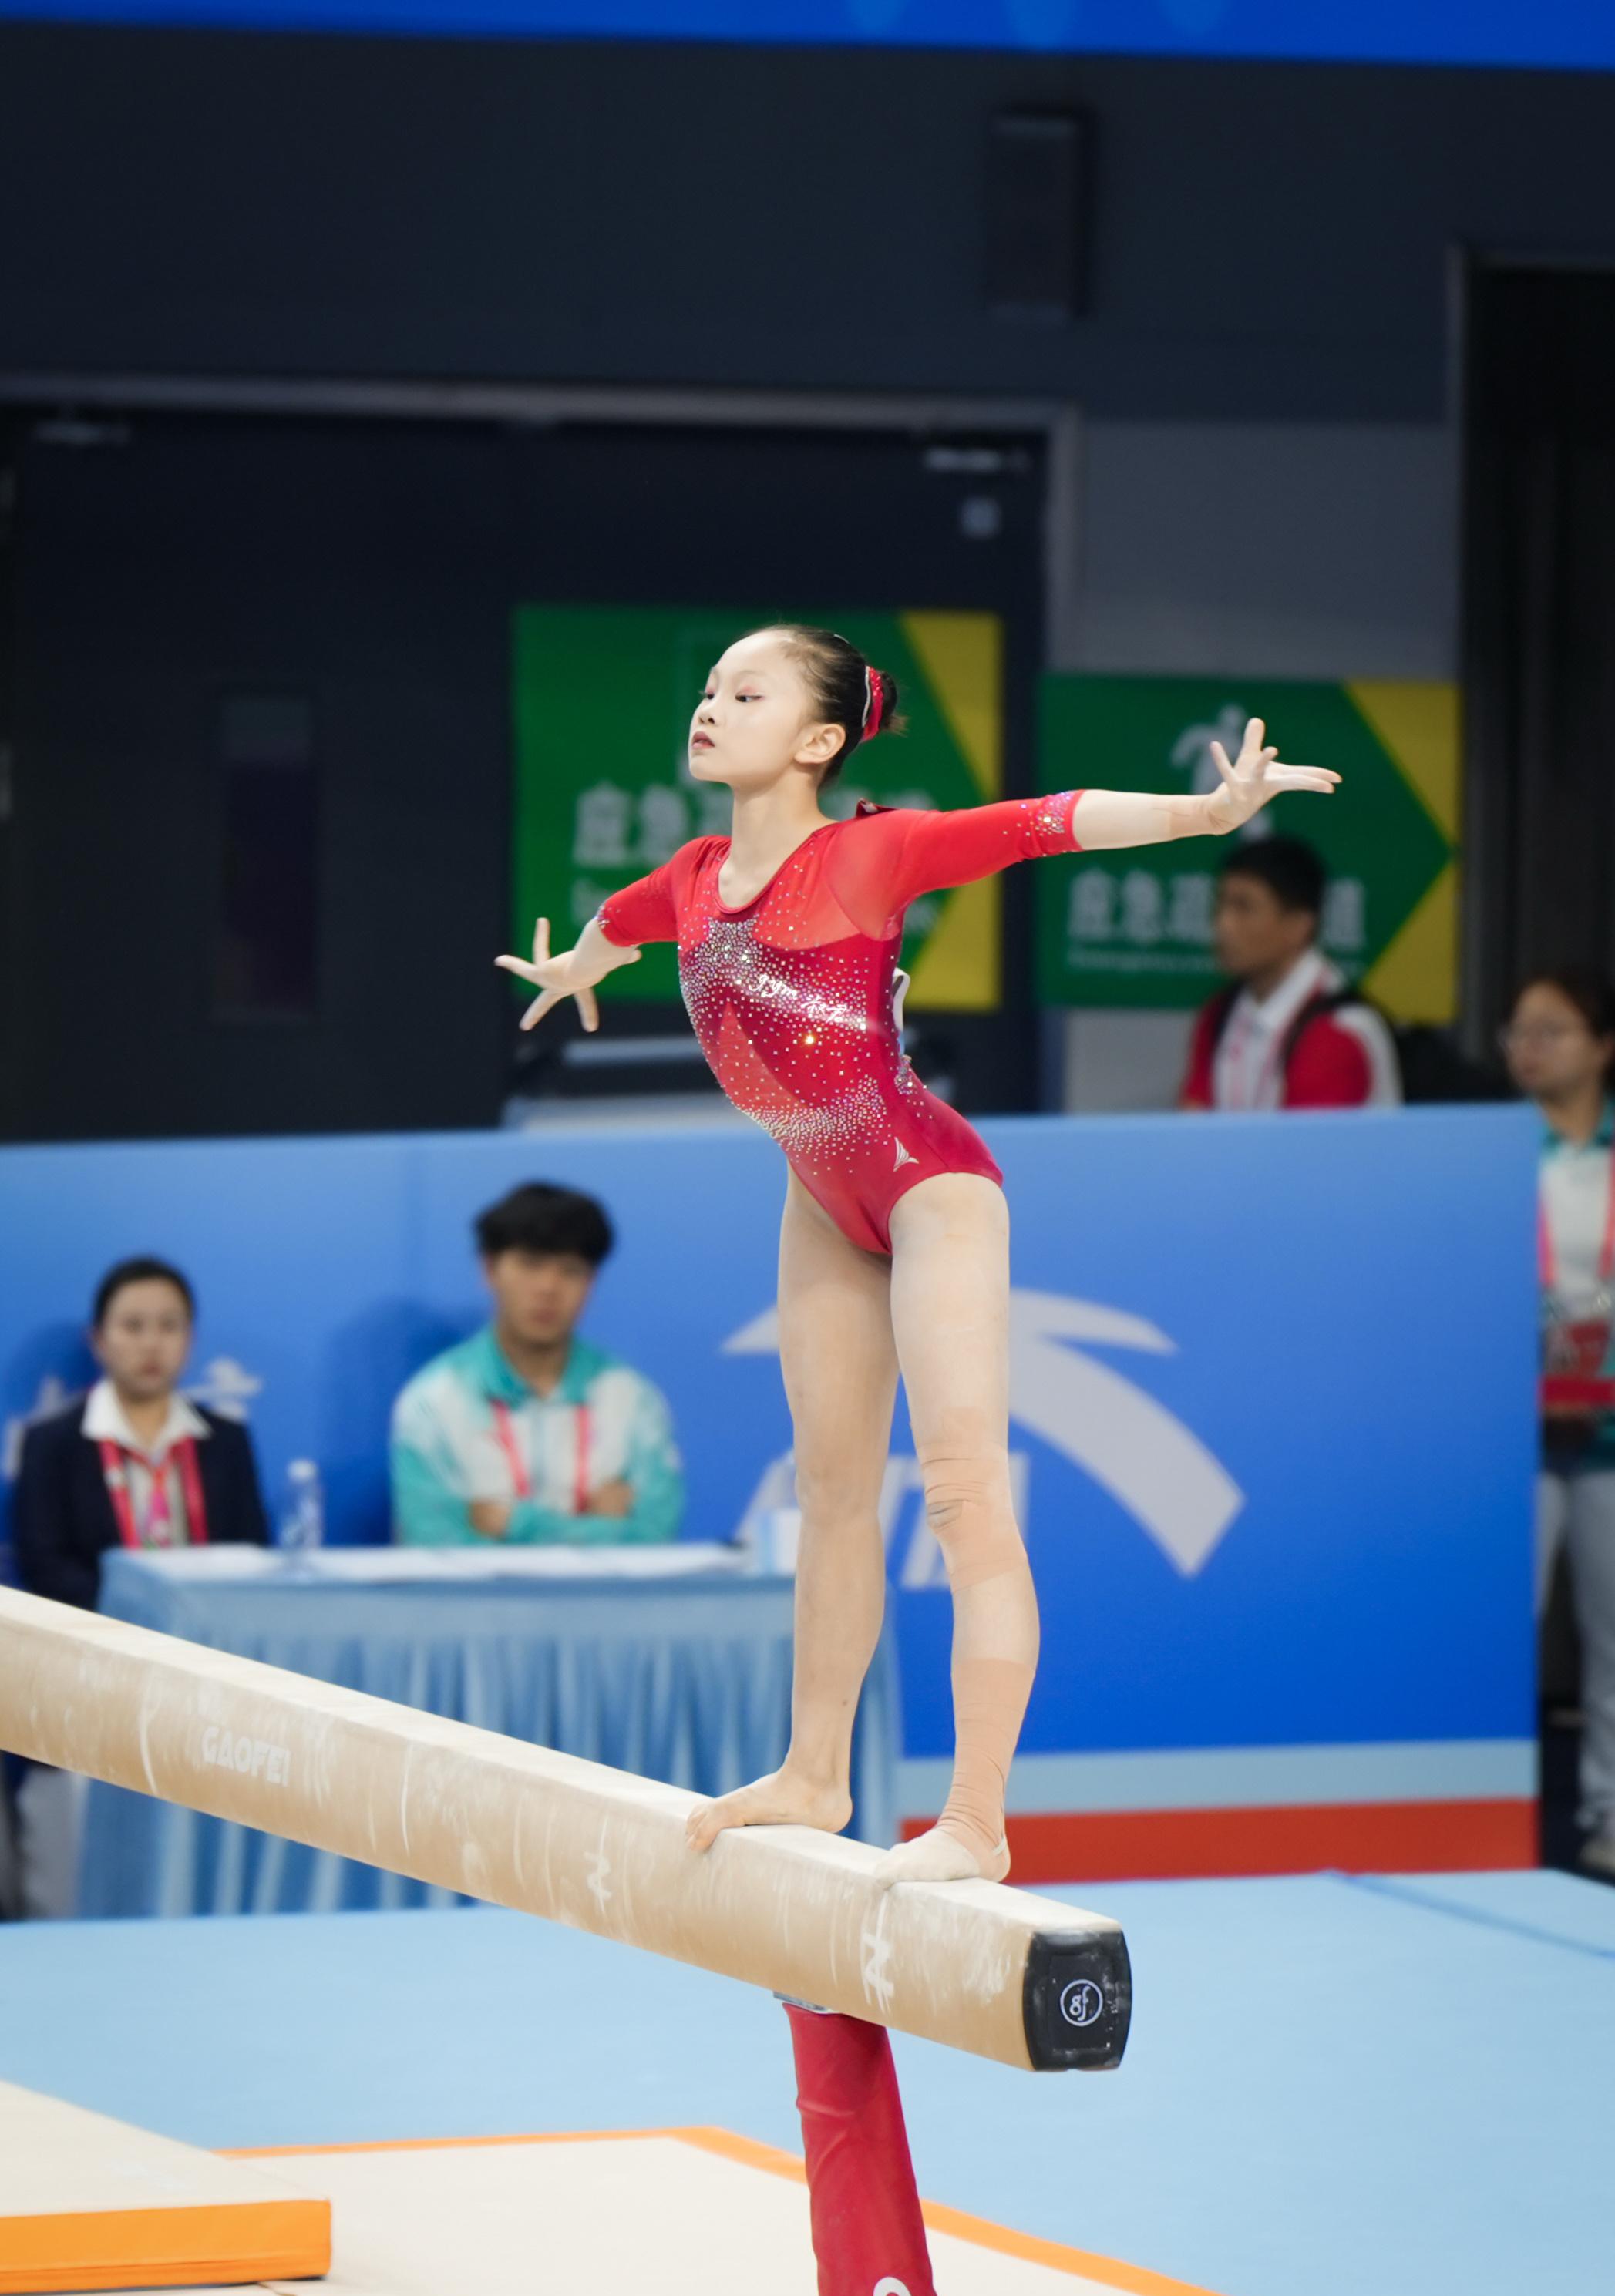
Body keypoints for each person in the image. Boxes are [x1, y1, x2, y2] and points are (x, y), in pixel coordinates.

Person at [496, 623, 1341, 1884]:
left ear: (820, 739)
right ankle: (814, 1770)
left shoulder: (870, 852)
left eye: (746, 692)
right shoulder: (690, 878)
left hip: (930, 1187)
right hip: (818, 1202)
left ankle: (974, 1820)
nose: (711, 706)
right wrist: (576, 965)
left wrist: (1206, 813)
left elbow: (1043, 823)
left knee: (959, 1494)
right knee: (831, 1495)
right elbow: (621, 925)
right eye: (711, 688)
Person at [390, 1181, 683, 1546]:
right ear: (489, 1270)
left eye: (571, 1270)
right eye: (531, 1264)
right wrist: (602, 1529)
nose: (548, 1288)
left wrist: (514, 1523)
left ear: (592, 1282)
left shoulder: (633, 1399)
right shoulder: (432, 1401)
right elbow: (433, 1546)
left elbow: (654, 1540)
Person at [1502, 968, 1615, 1881]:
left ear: (1602, 1045)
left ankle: (1608, 1812)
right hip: (1509, 1433)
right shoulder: (1488, 1152)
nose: (1529, 1045)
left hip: (1610, 1434)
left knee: (1612, 1630)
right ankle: (1490, 1815)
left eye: (1552, 1029)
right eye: (1518, 1030)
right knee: (1504, 1630)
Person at [11, 1256, 270, 1612]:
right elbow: (44, 1565)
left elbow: (251, 1552)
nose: (151, 1343)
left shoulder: (226, 1440)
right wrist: (132, 1616)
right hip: (100, 1633)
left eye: (169, 1326)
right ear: (98, 1340)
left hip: (209, 1634)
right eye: (133, 1326)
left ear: (190, 1339)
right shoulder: (52, 1444)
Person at [1179, 834, 1400, 1111]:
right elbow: (1194, 1118)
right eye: (1221, 904)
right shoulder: (1218, 1015)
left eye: (1244, 907)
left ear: (1299, 925)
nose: (1223, 925)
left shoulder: (1339, 1030)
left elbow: (1310, 1139)